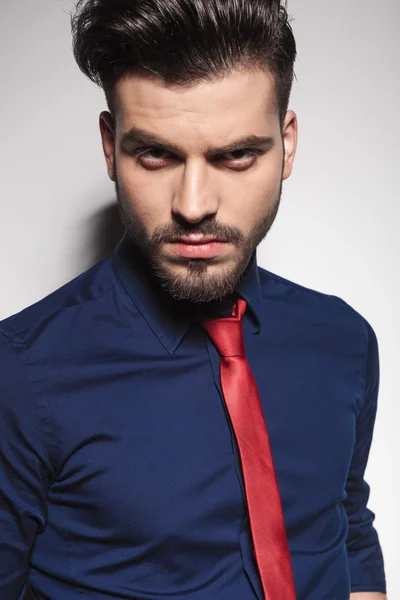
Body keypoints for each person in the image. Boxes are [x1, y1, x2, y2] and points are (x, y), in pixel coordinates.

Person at [0, 0, 387, 598]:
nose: (193, 204)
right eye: (156, 154)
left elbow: (346, 527)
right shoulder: (20, 373)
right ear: (111, 146)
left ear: (287, 146)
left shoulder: (344, 339)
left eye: (236, 155)